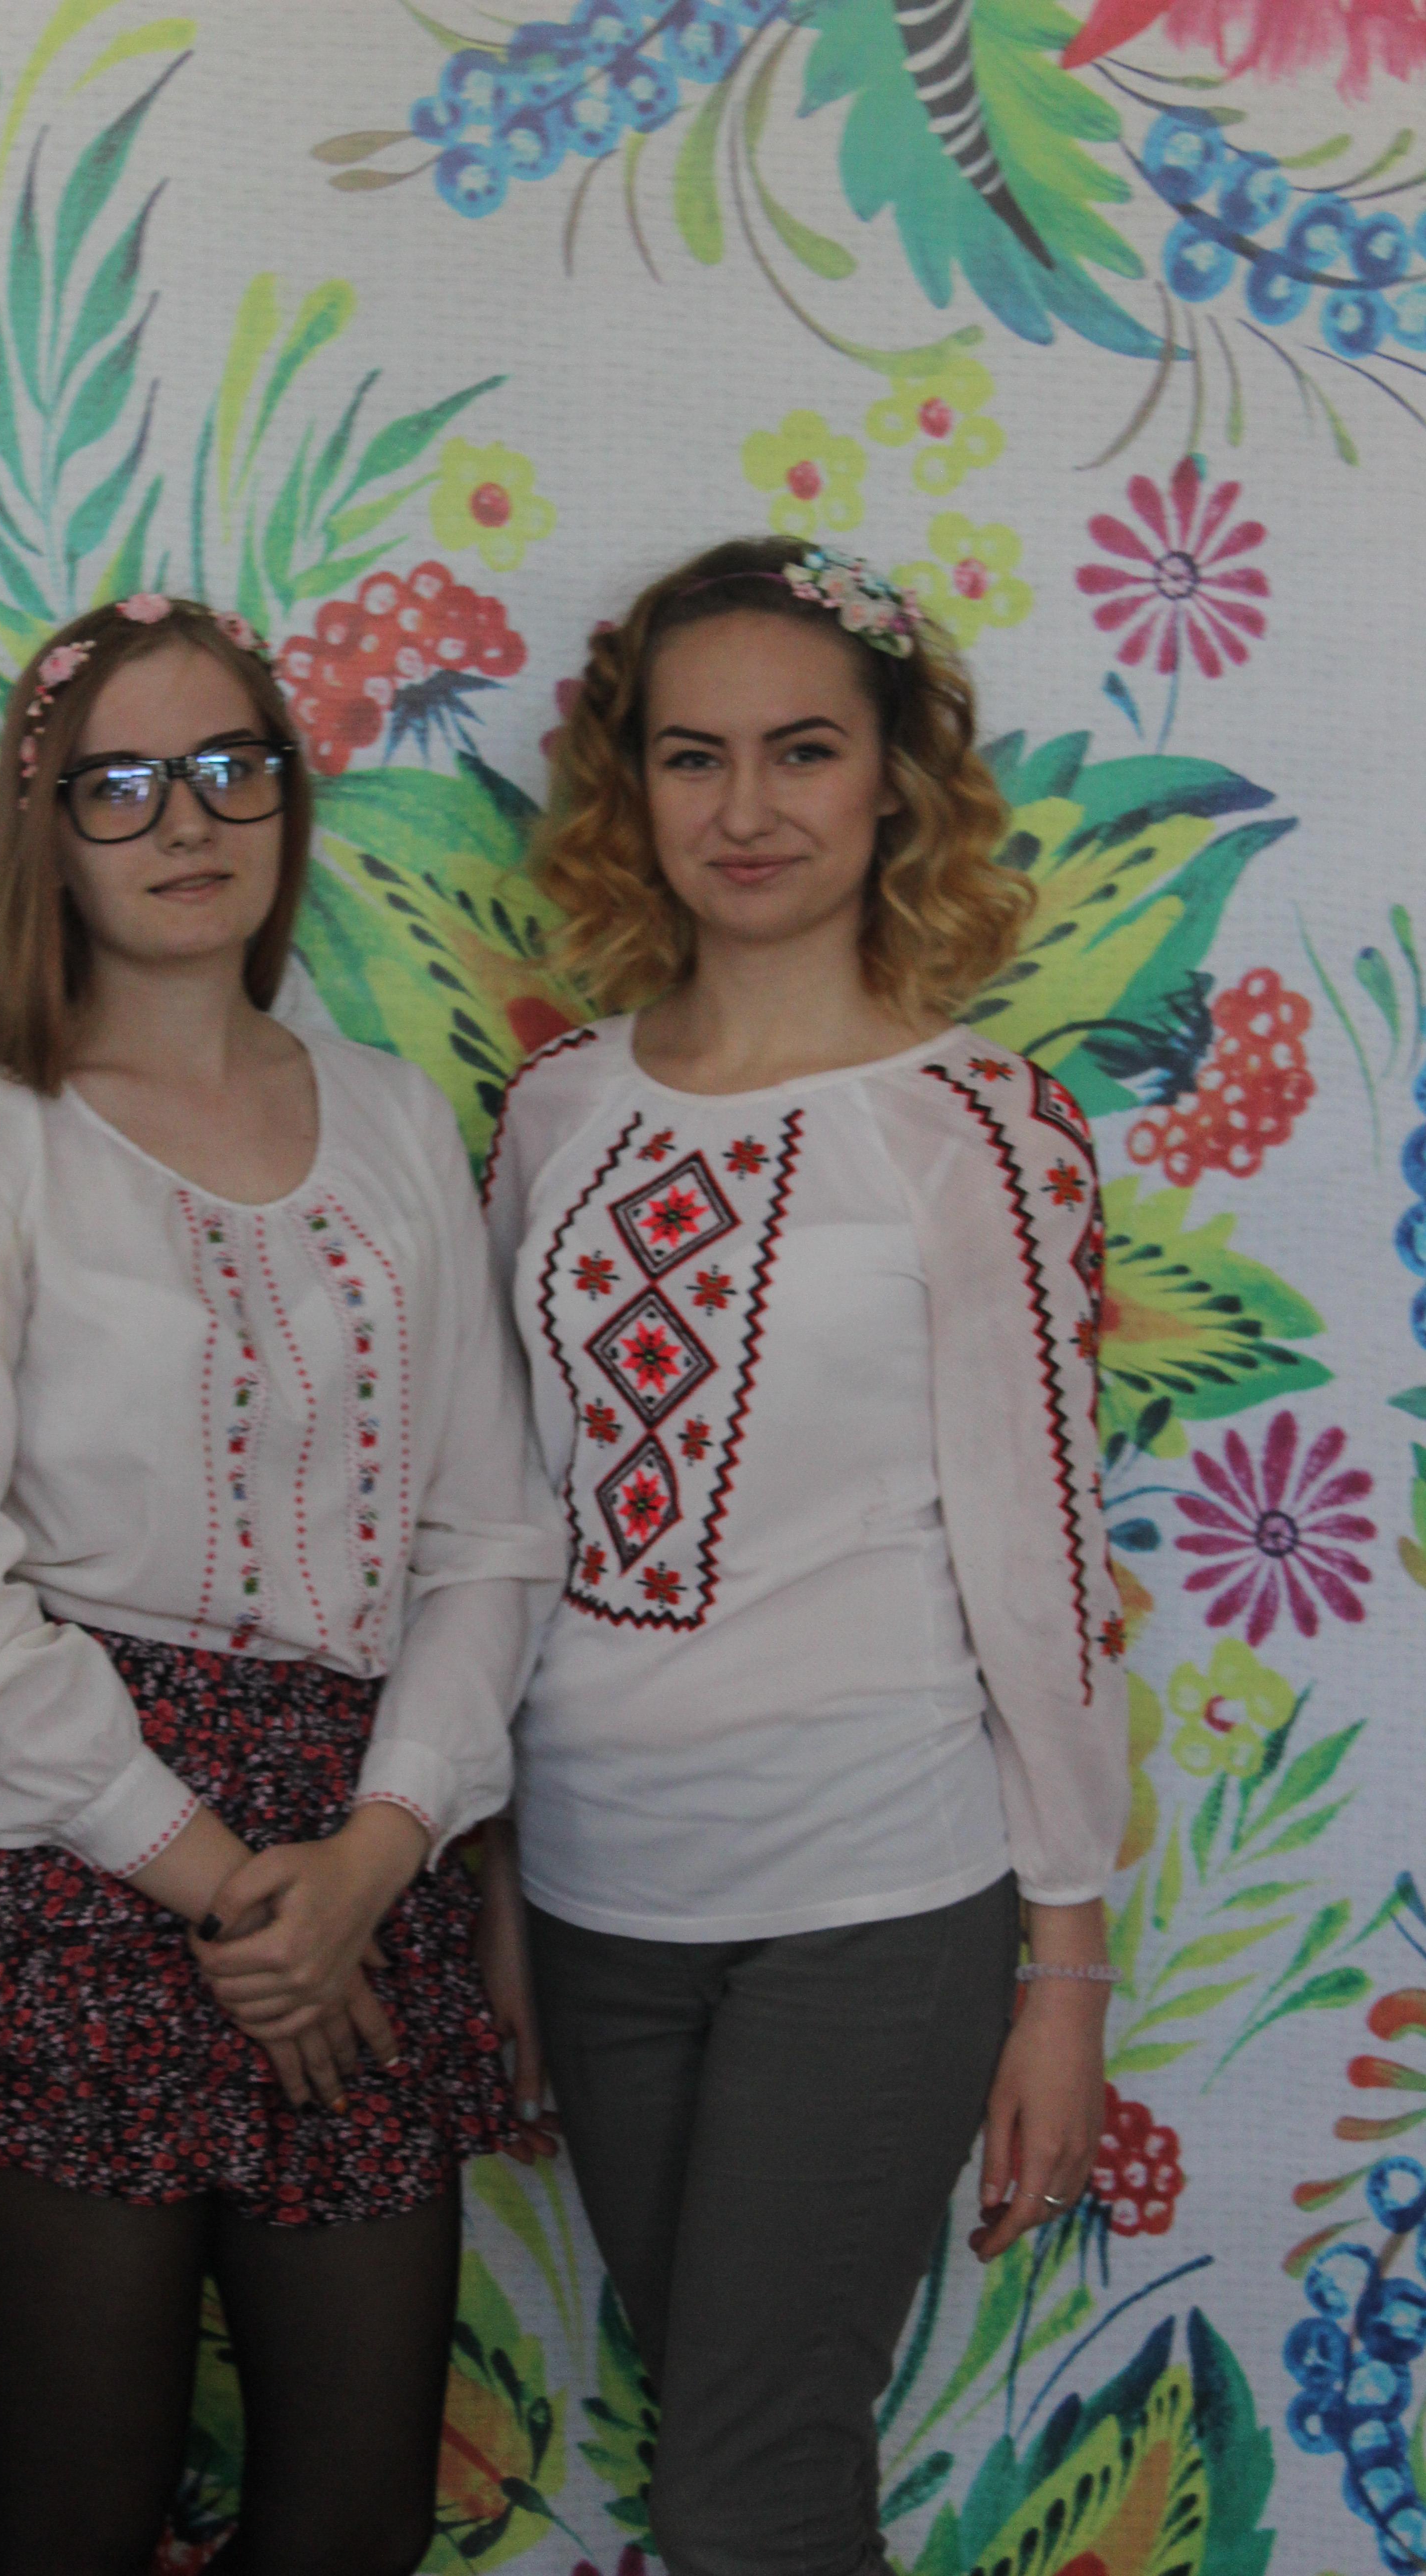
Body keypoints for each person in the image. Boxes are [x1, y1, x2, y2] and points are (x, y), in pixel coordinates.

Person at [0, 593, 562, 2576]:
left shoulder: (395, 1119)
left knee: (353, 2524)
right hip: (74, 1857)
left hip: (361, 1861)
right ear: (49, 829)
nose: (184, 820)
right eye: (122, 783)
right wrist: (226, 1884)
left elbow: (490, 1539)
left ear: (288, 799)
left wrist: (372, 1858)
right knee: (83, 2515)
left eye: (231, 766)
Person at [477, 537, 1130, 2576]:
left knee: (743, 2491)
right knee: (741, 2450)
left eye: (803, 751)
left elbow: (1041, 1561)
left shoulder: (977, 1129)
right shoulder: (556, 1113)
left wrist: (1066, 1975)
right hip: (596, 1897)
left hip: (874, 1894)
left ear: (894, 781)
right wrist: (494, 1888)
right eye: (694, 756)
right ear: (633, 788)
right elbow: (498, 1526)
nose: (745, 808)